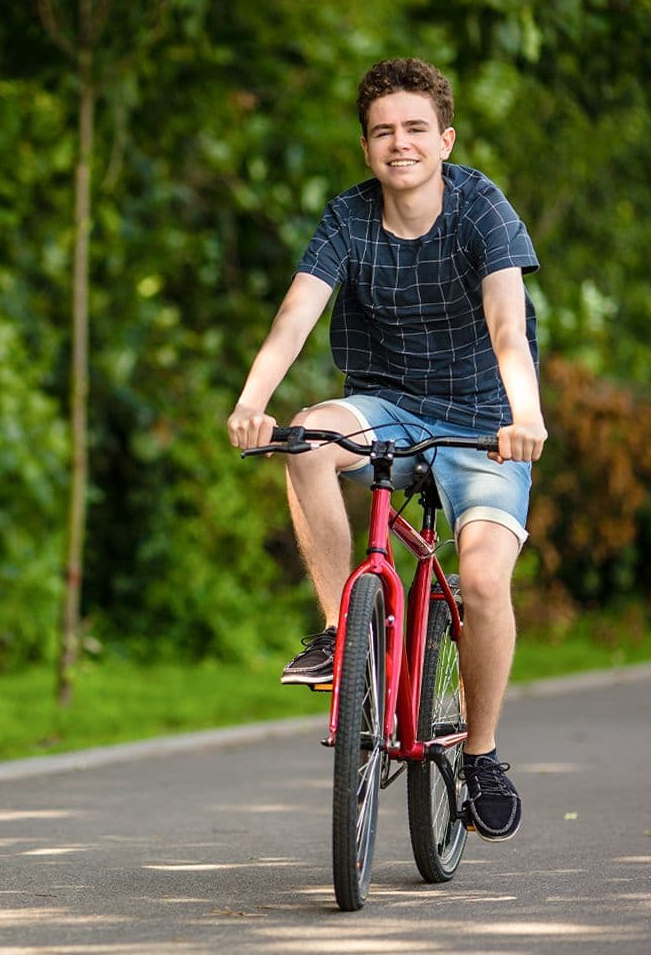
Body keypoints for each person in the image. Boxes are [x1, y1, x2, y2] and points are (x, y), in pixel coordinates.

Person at [226, 58, 545, 842]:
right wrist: (252, 402)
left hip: (485, 421)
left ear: (445, 140)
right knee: (308, 440)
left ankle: (481, 755)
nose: (399, 143)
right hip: (387, 407)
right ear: (366, 147)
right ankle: (347, 635)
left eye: (414, 129)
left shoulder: (481, 209)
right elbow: (295, 316)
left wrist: (526, 414)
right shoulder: (348, 217)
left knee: (482, 581)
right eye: (382, 131)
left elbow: (507, 324)